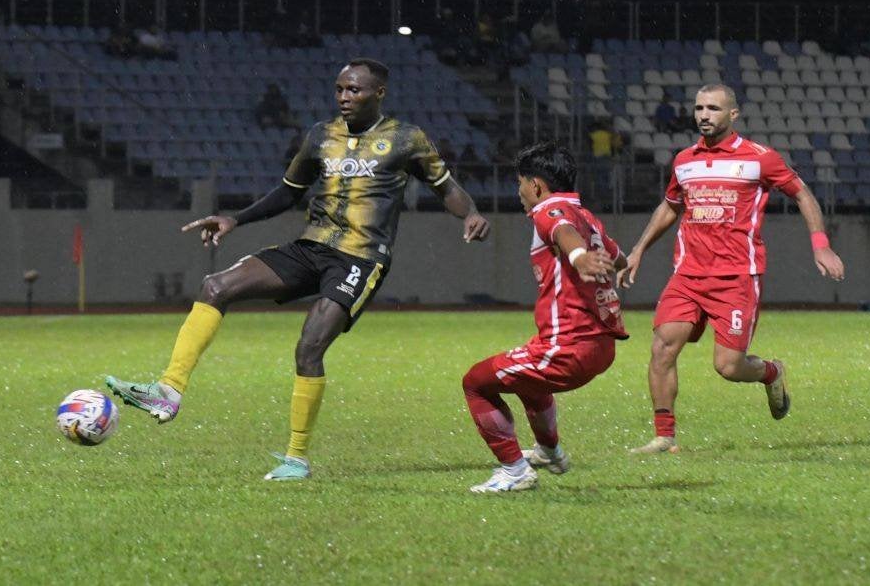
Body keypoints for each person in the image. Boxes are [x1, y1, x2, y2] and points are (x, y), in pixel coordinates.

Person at [106, 58, 491, 480]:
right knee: (215, 286)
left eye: (354, 90)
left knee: (309, 347)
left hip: (361, 257)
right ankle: (169, 390)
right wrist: (236, 218)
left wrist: (469, 213)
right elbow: (289, 192)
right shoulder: (321, 136)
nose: (344, 97)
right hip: (311, 247)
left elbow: (446, 187)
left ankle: (296, 458)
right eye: (340, 89)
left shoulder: (405, 139)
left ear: (378, 93)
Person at [618, 83, 845, 454]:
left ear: (733, 115)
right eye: (699, 108)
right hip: (688, 275)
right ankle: (664, 437)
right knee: (662, 348)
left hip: (736, 277)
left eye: (713, 108)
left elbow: (802, 193)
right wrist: (638, 249)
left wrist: (821, 245)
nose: (704, 115)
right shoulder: (684, 160)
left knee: (728, 367)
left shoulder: (760, 158)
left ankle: (771, 372)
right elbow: (670, 206)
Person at [463, 142, 629, 492]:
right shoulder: (587, 216)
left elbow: (560, 231)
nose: (519, 191)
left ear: (536, 185)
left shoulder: (548, 211)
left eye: (520, 182)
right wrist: (603, 261)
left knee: (476, 382)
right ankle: (549, 452)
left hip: (569, 347)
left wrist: (580, 256)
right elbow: (620, 258)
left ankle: (514, 470)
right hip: (600, 345)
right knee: (526, 382)